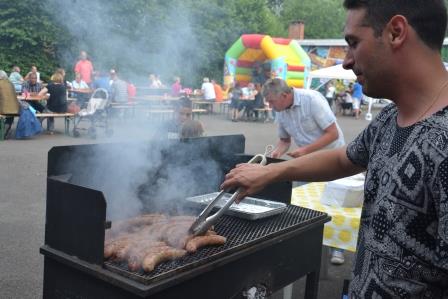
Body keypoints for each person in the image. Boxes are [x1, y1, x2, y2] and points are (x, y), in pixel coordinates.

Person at [222, 1, 448, 297]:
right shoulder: (390, 118)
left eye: (354, 43)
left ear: (396, 32)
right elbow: (344, 159)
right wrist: (269, 173)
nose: (346, 61)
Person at [263, 78, 344, 159]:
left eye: (272, 101)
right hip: (309, 158)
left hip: (333, 155)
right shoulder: (280, 109)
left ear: (284, 95)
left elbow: (333, 134)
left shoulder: (312, 99)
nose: (270, 106)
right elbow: (285, 141)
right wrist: (277, 152)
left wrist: (305, 150)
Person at [0, 70, 20, 138]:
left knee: (6, 112)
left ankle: (3, 132)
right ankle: (6, 130)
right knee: (10, 116)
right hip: (14, 108)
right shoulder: (10, 83)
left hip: (3, 108)